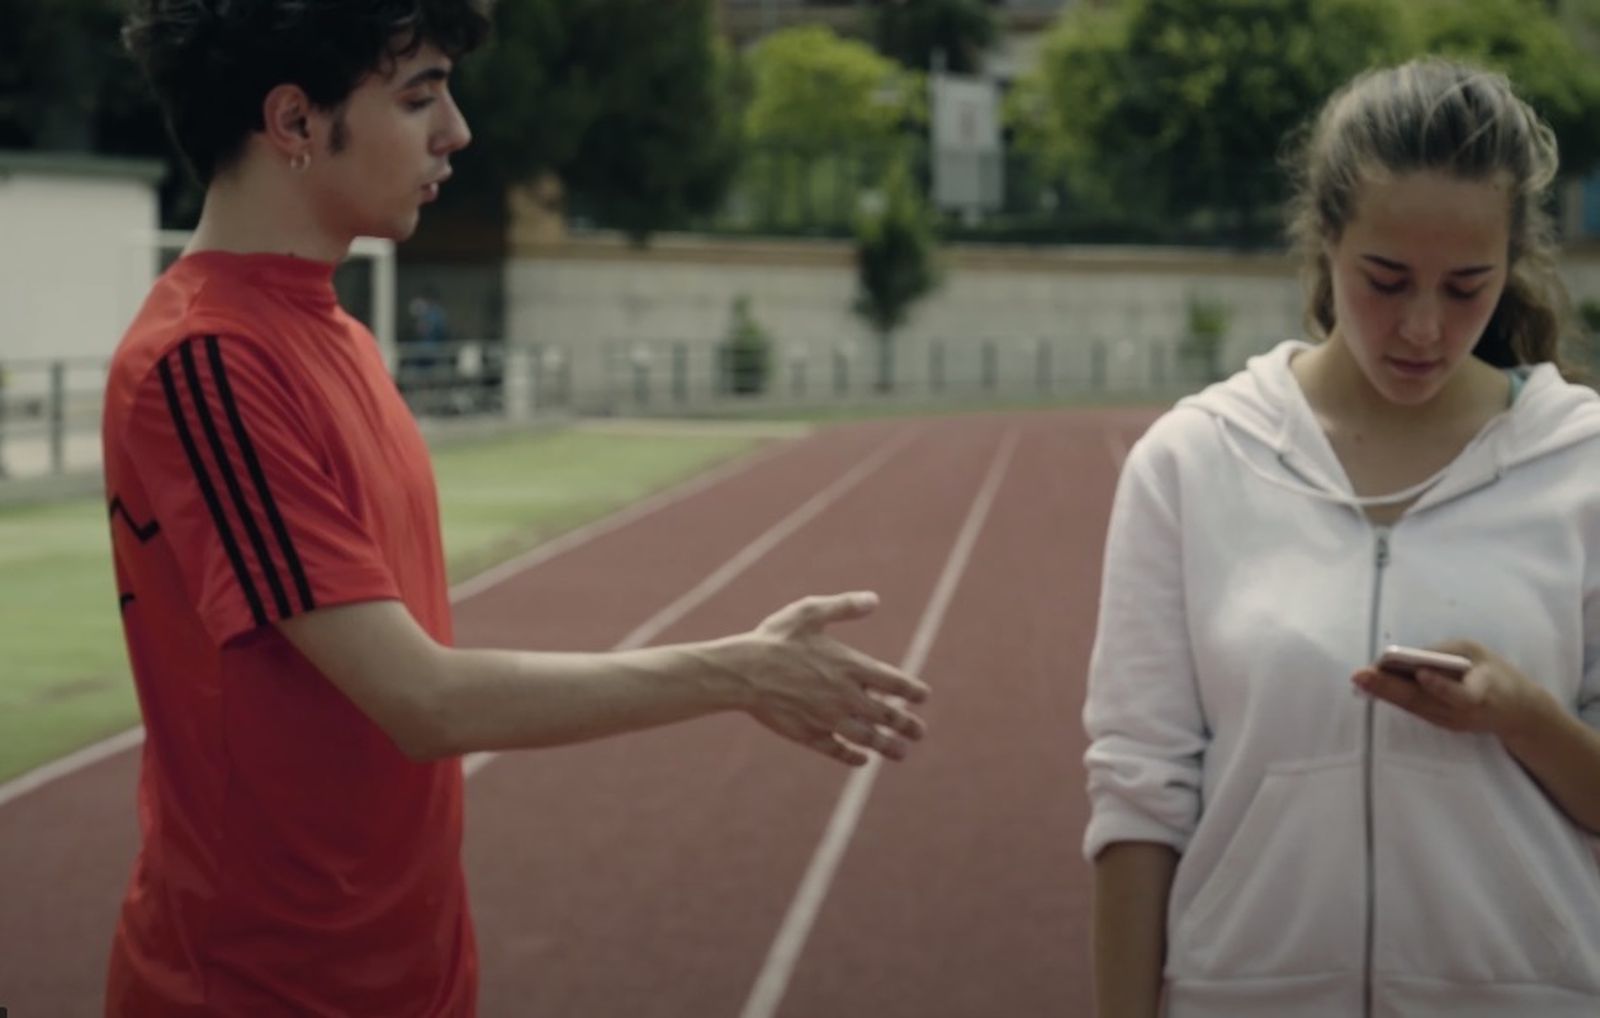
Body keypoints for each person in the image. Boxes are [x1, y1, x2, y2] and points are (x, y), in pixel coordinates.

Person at [103, 2, 929, 1015]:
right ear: (294, 122)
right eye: (420, 97)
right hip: (258, 990)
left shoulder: (339, 336)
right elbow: (423, 701)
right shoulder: (206, 362)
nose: (457, 131)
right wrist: (738, 671)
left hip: (406, 971)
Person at [1083, 58, 1600, 1018]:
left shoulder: (1583, 467)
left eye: (1467, 287)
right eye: (1386, 280)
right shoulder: (1193, 463)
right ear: (1326, 241)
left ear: (1513, 264)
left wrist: (1523, 715)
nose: (1423, 328)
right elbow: (1138, 792)